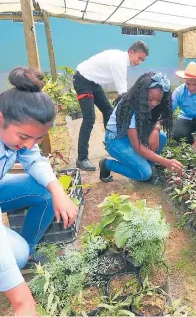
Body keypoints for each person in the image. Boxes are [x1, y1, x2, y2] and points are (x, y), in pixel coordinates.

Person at [0, 67, 78, 316]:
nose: (29, 145)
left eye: (38, 138)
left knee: (44, 192)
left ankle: (29, 250)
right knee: (15, 255)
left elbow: (34, 159)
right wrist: (21, 299)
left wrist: (58, 191)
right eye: (24, 136)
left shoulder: (18, 137)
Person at [73, 41, 149, 171]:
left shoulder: (121, 59)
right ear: (131, 52)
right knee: (89, 118)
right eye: (139, 58)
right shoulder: (118, 61)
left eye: (143, 60)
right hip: (83, 80)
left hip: (94, 83)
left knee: (108, 110)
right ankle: (81, 158)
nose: (139, 62)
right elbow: (124, 94)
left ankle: (112, 143)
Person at [99, 72, 184, 182]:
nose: (154, 104)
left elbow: (158, 119)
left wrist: (156, 129)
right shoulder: (131, 108)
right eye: (151, 99)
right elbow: (137, 146)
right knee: (144, 174)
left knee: (161, 137)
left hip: (134, 135)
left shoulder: (152, 104)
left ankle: (144, 166)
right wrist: (166, 162)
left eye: (159, 100)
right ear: (142, 94)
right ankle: (107, 164)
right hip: (117, 140)